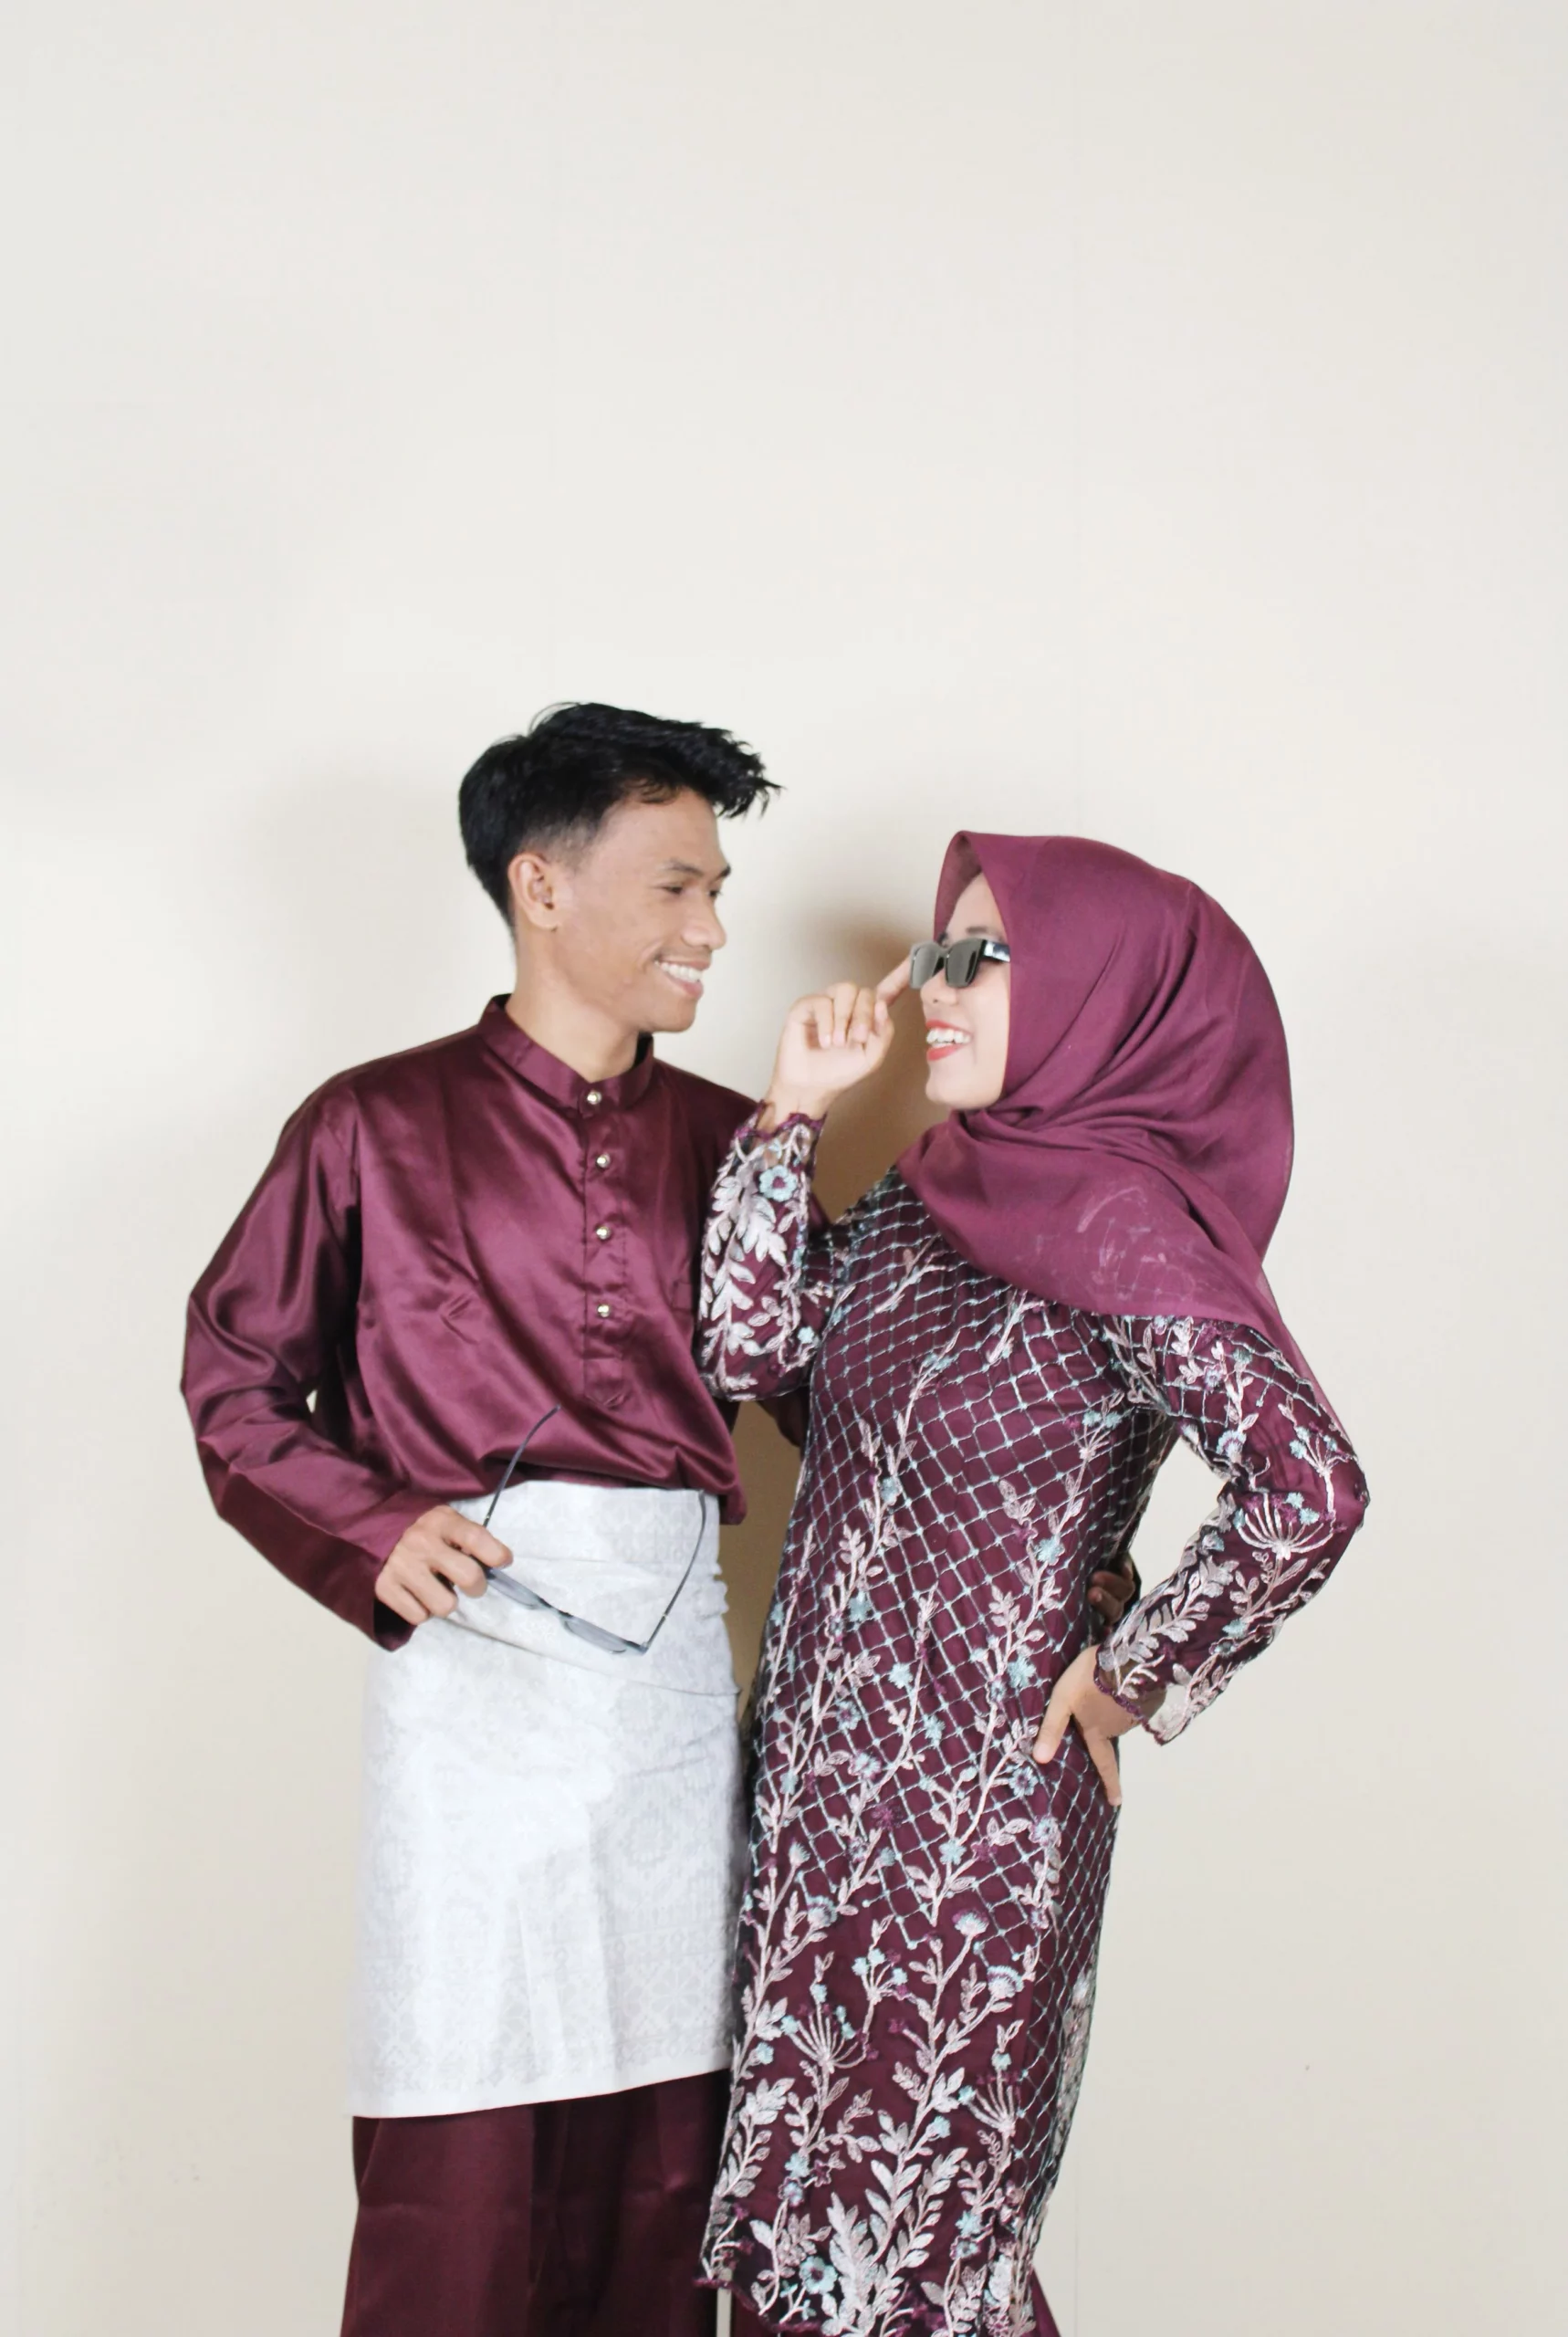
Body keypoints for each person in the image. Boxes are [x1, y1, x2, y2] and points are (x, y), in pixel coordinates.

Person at [695, 831, 1370, 2337]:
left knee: (921, 2248)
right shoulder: (925, 1193)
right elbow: (753, 1359)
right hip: (812, 1786)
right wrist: (791, 1115)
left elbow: (1309, 1488)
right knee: (800, 2230)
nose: (935, 988)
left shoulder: (1125, 1222)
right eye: (933, 952)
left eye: (980, 957)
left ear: (1100, 992)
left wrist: (1131, 1676)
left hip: (973, 1816)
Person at [182, 702, 780, 2337]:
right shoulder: (370, 1125)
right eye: (675, 887)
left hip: (668, 1697)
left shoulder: (738, 1144)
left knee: (668, 2151)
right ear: (542, 884)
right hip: (470, 1678)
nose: (711, 928)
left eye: (717, 889)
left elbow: (864, 1407)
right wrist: (369, 1522)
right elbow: (234, 1377)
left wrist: (1073, 1569)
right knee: (460, 2136)